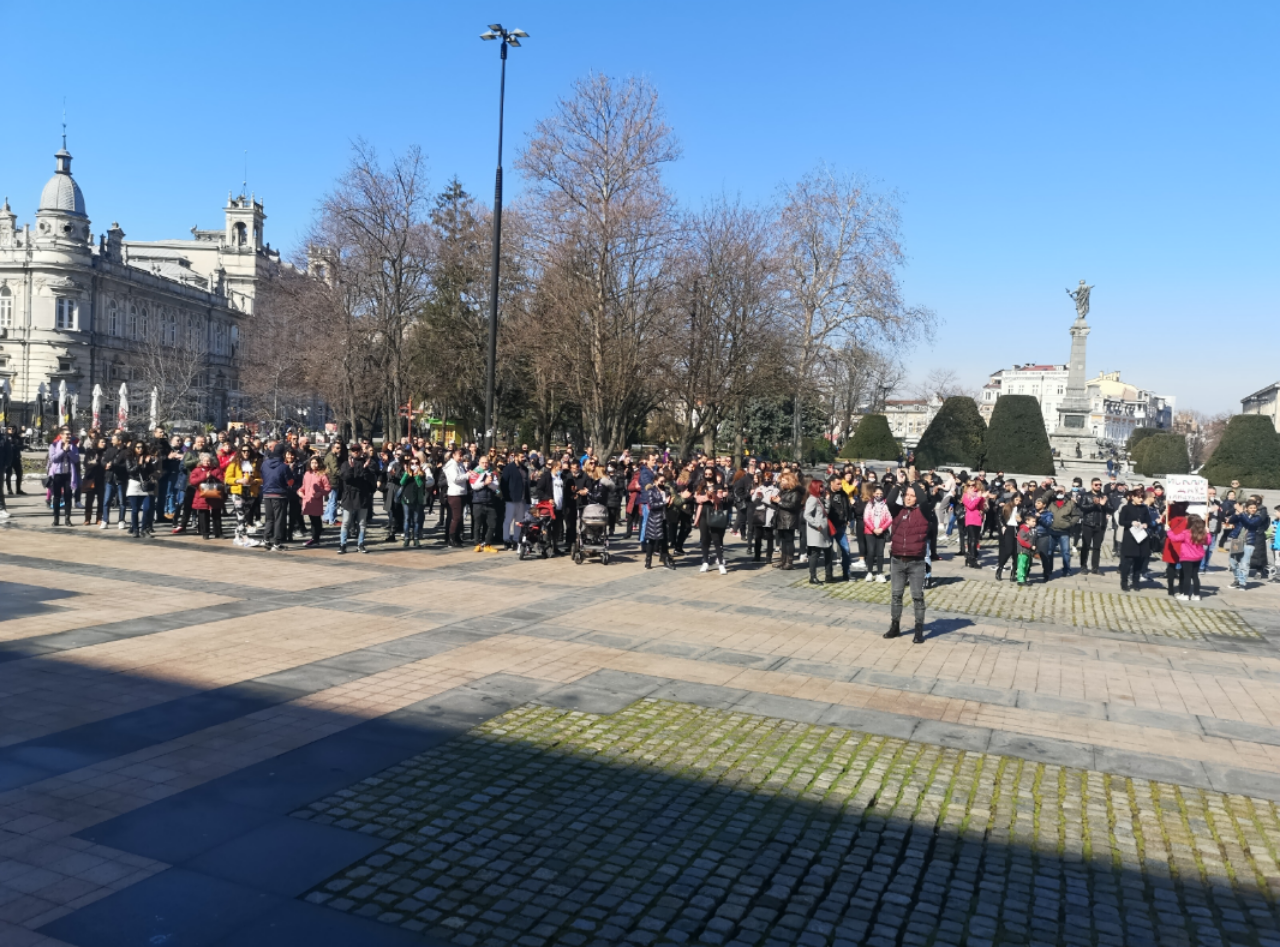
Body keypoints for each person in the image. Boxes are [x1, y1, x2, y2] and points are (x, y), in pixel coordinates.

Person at [883, 483, 930, 644]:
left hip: (916, 561)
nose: (908, 498)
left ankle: (918, 630)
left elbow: (924, 501)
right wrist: (897, 485)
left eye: (912, 495)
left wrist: (914, 483)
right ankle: (895, 626)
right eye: (906, 495)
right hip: (897, 560)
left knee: (917, 596)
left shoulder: (924, 511)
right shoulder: (898, 511)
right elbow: (888, 501)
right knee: (896, 594)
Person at [338, 443, 377, 554]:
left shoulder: (367, 464)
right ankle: (343, 544)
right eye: (353, 450)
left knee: (362, 523)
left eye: (357, 450)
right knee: (346, 522)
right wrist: (351, 468)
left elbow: (369, 480)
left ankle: (360, 544)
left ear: (361, 451)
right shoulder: (346, 464)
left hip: (362, 496)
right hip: (349, 496)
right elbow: (346, 478)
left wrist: (365, 469)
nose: (355, 452)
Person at [225, 444, 263, 548]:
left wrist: (254, 481)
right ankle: (245, 537)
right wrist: (238, 480)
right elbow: (227, 478)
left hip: (250, 492)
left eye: (248, 451)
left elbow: (260, 478)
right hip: (238, 491)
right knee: (240, 514)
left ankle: (238, 536)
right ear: (240, 452)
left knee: (245, 515)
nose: (246, 453)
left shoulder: (254, 464)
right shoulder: (234, 464)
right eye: (244, 451)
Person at [260, 444, 296, 551]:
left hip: (267, 493)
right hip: (279, 494)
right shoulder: (284, 466)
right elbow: (290, 482)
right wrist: (291, 471)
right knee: (279, 519)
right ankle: (277, 542)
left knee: (269, 518)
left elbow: (263, 476)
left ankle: (266, 539)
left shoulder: (264, 464)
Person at [1225, 499, 1265, 591]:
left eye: (1254, 508)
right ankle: (1237, 580)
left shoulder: (1258, 518)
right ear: (1247, 508)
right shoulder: (1242, 515)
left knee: (1244, 563)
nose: (1253, 509)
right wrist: (1236, 513)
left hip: (1248, 543)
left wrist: (1242, 512)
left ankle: (1242, 582)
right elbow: (1231, 520)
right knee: (1233, 562)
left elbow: (1249, 523)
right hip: (1237, 541)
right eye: (1251, 508)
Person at [694, 478, 731, 575]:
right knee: (704, 538)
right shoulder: (701, 486)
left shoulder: (718, 487)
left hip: (714, 515)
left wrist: (713, 496)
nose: (708, 476)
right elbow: (698, 499)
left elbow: (719, 499)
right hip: (703, 515)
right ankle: (705, 561)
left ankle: (720, 563)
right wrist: (707, 496)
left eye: (710, 474)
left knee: (716, 539)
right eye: (706, 474)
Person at [1166, 514, 1206, 601]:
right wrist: (1208, 533)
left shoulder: (1186, 532)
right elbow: (1208, 541)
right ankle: (1196, 595)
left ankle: (1186, 594)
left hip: (1187, 557)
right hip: (1198, 557)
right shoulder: (1202, 533)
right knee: (1195, 576)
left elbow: (1175, 538)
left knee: (1187, 576)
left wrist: (1169, 531)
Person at [1117, 489, 1151, 592]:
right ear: (1133, 497)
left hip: (1141, 538)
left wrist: (1146, 524)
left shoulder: (1144, 508)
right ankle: (1124, 582)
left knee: (1139, 562)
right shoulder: (1126, 508)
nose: (1141, 499)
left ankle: (1136, 582)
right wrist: (1131, 523)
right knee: (1127, 562)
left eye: (1142, 497)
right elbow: (1121, 521)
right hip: (1130, 538)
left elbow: (1148, 520)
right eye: (1139, 497)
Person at [640, 472, 675, 570]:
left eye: (664, 481)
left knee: (664, 541)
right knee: (652, 540)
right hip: (655, 519)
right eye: (661, 481)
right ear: (655, 481)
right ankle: (648, 560)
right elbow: (652, 505)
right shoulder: (651, 491)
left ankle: (666, 560)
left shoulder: (666, 490)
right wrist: (664, 502)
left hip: (664, 518)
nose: (663, 483)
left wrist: (670, 504)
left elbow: (668, 505)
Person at [769, 471, 802, 571]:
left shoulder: (795, 493)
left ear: (790, 481)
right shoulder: (783, 491)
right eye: (781, 481)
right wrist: (774, 501)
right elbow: (780, 504)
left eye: (784, 481)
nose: (782, 483)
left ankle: (789, 562)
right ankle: (783, 560)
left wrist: (780, 501)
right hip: (781, 519)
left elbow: (793, 506)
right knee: (783, 541)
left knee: (789, 540)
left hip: (789, 520)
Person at [802, 479, 834, 585]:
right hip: (816, 532)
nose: (823, 488)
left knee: (828, 551)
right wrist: (817, 524)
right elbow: (806, 515)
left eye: (823, 486)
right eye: (820, 487)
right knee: (815, 554)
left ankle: (829, 575)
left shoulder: (819, 499)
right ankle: (813, 576)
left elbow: (826, 512)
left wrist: (828, 500)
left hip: (824, 532)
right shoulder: (812, 499)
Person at [189, 452, 226, 540]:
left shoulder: (217, 470)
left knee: (216, 514)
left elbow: (221, 480)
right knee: (203, 515)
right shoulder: (196, 470)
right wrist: (204, 476)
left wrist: (212, 477)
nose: (207, 463)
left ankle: (218, 533)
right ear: (202, 461)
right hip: (202, 496)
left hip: (214, 494)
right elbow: (193, 482)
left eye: (209, 461)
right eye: (205, 461)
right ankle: (205, 533)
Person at [46, 427, 79, 526]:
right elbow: (53, 459)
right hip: (57, 474)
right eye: (67, 434)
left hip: (69, 474)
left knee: (68, 497)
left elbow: (76, 459)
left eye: (70, 434)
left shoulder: (73, 446)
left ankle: (67, 519)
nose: (69, 436)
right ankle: (56, 519)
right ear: (61, 435)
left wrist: (68, 451)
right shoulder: (54, 445)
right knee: (56, 497)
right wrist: (62, 451)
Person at [468, 455, 499, 552]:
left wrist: (489, 483)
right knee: (477, 524)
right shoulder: (474, 472)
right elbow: (474, 486)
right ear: (479, 463)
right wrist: (484, 483)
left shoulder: (492, 472)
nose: (485, 464)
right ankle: (477, 544)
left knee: (492, 524)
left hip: (490, 502)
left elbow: (496, 486)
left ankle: (487, 544)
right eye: (483, 463)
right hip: (478, 502)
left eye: (486, 463)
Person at [1077, 478, 1108, 576]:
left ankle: (1095, 567)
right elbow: (1082, 508)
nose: (1098, 486)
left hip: (1100, 524)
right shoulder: (1086, 495)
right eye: (1096, 484)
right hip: (1088, 524)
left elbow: (1111, 508)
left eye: (1100, 484)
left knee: (1097, 547)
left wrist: (1103, 505)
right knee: (1085, 546)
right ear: (1092, 485)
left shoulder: (1104, 496)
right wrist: (1094, 505)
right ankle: (1083, 566)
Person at [299, 456, 330, 547]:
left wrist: (321, 493)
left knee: (316, 520)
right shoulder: (307, 474)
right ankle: (314, 537)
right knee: (312, 519)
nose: (314, 465)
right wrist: (300, 492)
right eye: (312, 463)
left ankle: (315, 538)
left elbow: (328, 488)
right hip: (308, 500)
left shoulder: (322, 475)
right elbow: (304, 486)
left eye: (316, 463)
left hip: (316, 501)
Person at [862, 486, 892, 583]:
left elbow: (889, 519)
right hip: (870, 532)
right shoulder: (869, 504)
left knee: (880, 553)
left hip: (881, 532)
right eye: (877, 494)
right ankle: (869, 572)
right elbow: (866, 518)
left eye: (880, 494)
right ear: (873, 494)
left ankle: (879, 573)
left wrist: (882, 529)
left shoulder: (885, 505)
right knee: (870, 552)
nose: (879, 496)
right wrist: (873, 529)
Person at [399, 457, 429, 549]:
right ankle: (407, 537)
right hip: (406, 499)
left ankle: (416, 537)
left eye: (416, 463)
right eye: (412, 463)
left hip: (417, 500)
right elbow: (402, 482)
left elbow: (420, 485)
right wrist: (407, 474)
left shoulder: (422, 474)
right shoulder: (407, 473)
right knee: (407, 519)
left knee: (416, 520)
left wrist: (416, 475)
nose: (414, 465)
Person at [1014, 512, 1038, 587]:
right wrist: (1030, 546)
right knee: (1022, 565)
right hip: (1022, 551)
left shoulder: (1030, 530)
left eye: (1035, 521)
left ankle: (1024, 578)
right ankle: (1020, 580)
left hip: (1027, 551)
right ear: (1027, 521)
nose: (1034, 523)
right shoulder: (1023, 530)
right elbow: (1022, 540)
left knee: (1026, 565)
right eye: (1033, 521)